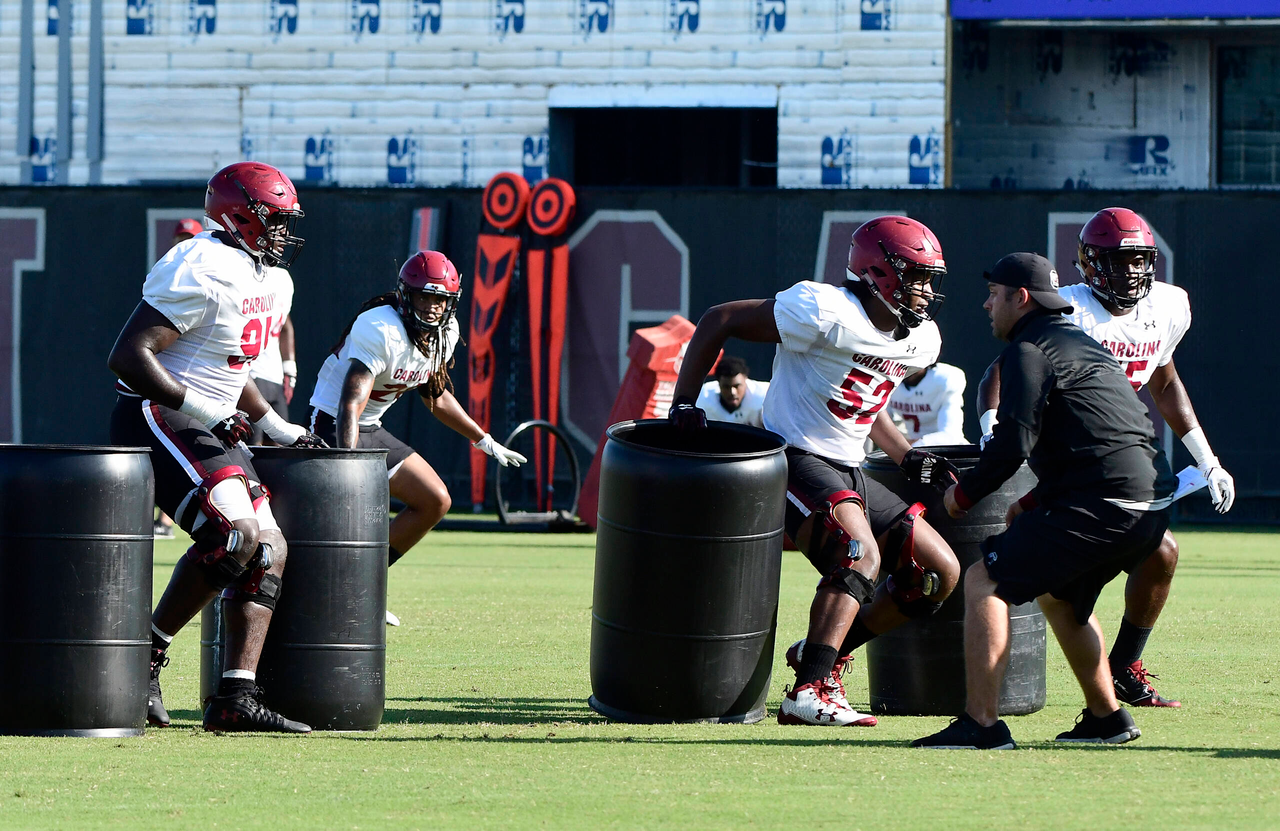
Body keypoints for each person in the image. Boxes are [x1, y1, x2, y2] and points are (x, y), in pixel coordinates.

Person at [670, 216, 963, 727]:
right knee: (860, 554)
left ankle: (824, 651)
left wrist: (905, 455)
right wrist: (682, 404)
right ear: (878, 272)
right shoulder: (824, 311)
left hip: (849, 465)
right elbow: (720, 319)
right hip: (796, 457)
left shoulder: (919, 339)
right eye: (915, 276)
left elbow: (864, 400)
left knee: (937, 574)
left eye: (929, 279)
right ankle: (809, 690)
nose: (925, 291)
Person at [914, 252, 1177, 750]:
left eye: (994, 295)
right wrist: (1035, 501)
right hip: (1150, 502)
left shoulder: (1028, 351)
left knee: (984, 578)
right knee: (1060, 595)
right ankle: (1107, 718)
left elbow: (1014, 444)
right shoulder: (1081, 343)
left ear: (1021, 297)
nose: (985, 304)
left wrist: (960, 496)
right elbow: (1099, 439)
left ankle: (981, 725)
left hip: (1105, 502)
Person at [975, 208, 1233, 709]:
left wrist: (1206, 457)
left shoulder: (1168, 305)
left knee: (1160, 555)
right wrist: (991, 433)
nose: (1130, 273)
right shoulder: (1065, 310)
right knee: (1044, 577)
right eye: (1117, 262)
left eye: (1139, 260)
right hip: (1065, 457)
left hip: (1113, 458)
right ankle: (1007, 691)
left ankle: (1119, 673)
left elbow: (1163, 380)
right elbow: (999, 374)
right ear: (1089, 265)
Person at [108, 162, 326, 733]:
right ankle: (145, 655)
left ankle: (235, 699)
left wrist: (275, 426)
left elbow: (231, 366)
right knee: (234, 535)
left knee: (269, 549)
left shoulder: (263, 276)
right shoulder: (198, 262)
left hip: (207, 422)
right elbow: (129, 356)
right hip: (157, 414)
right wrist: (209, 411)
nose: (283, 231)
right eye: (273, 218)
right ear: (239, 215)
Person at [308, 250, 526, 590]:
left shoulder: (445, 332)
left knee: (434, 500)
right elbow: (350, 404)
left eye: (440, 299)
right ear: (405, 295)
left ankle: (362, 586)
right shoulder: (381, 328)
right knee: (338, 523)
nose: (431, 306)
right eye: (424, 296)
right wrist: (347, 467)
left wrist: (482, 438)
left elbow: (435, 396)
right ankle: (311, 594)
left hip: (371, 427)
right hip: (332, 425)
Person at [887, 361, 966, 446]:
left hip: (947, 450)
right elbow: (879, 426)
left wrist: (908, 446)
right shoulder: (887, 380)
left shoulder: (944, 379)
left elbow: (951, 436)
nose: (908, 365)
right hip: (908, 448)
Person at [696, 354, 768, 428]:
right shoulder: (702, 397)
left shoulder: (765, 396)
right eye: (726, 386)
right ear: (718, 383)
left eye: (737, 386)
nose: (732, 392)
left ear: (745, 379)